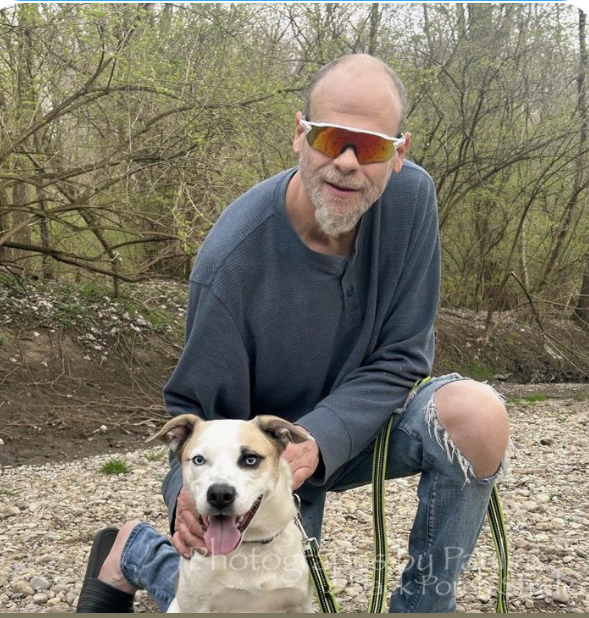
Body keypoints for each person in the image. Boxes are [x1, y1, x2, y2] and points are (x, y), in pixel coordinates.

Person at [76, 54, 509, 614]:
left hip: (360, 425)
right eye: (330, 138)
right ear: (300, 135)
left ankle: (425, 608)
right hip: (265, 455)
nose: (347, 162)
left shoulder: (411, 199)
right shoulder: (230, 264)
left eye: (371, 146)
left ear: (399, 153)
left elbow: (403, 355)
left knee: (478, 414)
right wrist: (186, 496)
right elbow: (200, 418)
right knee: (254, 594)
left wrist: (319, 439)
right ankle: (134, 551)